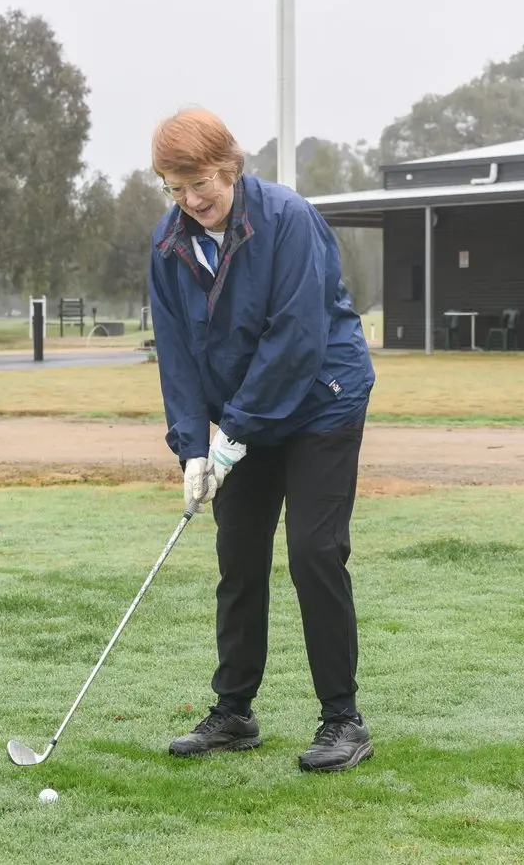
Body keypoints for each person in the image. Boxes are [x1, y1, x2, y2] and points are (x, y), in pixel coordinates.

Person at [146, 107, 376, 773]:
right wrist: (192, 445)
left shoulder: (287, 219)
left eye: (202, 186)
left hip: (321, 401)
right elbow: (179, 355)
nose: (192, 202)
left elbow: (294, 339)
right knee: (239, 552)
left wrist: (231, 437)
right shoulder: (170, 245)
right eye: (177, 189)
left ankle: (343, 718)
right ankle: (234, 712)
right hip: (245, 418)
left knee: (313, 549)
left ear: (229, 167)